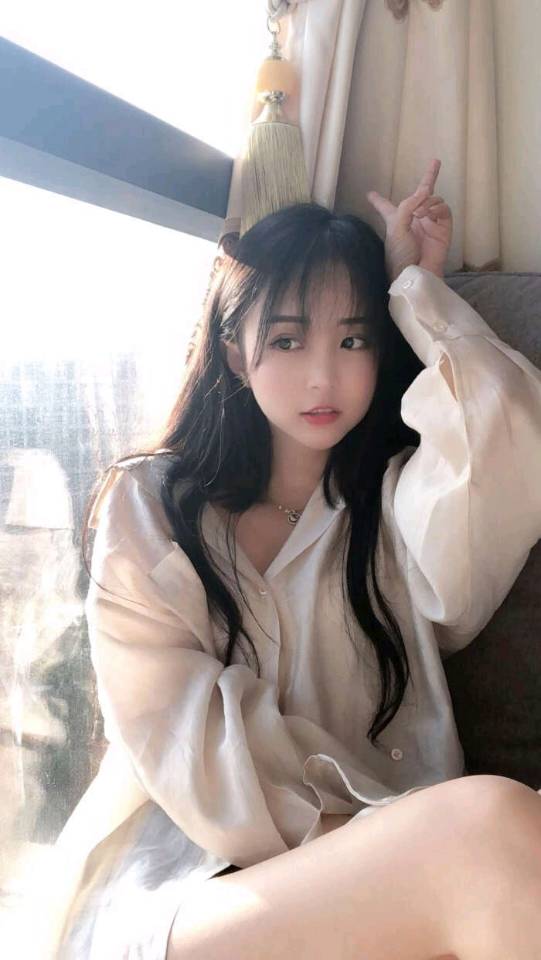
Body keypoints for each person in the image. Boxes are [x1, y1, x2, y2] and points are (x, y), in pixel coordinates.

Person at [41, 158, 541, 960]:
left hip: (399, 875)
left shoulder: (400, 505)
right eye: (286, 339)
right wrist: (396, 847)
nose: (322, 375)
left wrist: (413, 290)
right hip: (190, 887)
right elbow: (183, 747)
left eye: (353, 339)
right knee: (489, 828)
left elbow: (507, 425)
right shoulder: (152, 507)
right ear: (236, 354)